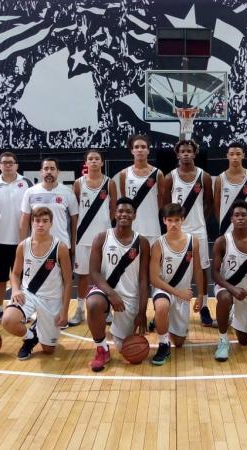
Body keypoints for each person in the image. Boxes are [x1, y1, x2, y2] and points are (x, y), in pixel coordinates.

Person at [86, 197, 150, 372]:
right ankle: (102, 349)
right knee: (93, 304)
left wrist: (142, 311)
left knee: (126, 349)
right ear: (114, 214)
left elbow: (143, 279)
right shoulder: (101, 237)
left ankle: (118, 331)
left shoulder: (142, 242)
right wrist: (111, 294)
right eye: (120, 211)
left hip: (129, 297)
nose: (124, 214)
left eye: (128, 212)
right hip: (105, 290)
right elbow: (94, 272)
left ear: (134, 215)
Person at [2, 207, 72, 360]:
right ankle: (30, 337)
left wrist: (65, 311)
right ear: (32, 223)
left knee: (48, 350)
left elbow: (68, 282)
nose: (41, 224)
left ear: (51, 223)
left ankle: (37, 327)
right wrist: (15, 290)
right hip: (28, 294)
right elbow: (15, 274)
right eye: (37, 221)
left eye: (45, 221)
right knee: (7, 320)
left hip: (51, 299)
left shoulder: (60, 247)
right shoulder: (23, 246)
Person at [162, 139, 214, 327]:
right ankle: (169, 305)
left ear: (194, 153)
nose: (185, 153)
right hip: (177, 231)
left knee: (203, 268)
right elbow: (165, 205)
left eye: (189, 151)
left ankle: (205, 306)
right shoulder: (170, 177)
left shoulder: (204, 176)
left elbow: (209, 203)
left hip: (198, 230)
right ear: (177, 154)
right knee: (173, 269)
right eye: (182, 151)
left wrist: (199, 220)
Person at [149, 203, 204, 365]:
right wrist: (178, 293)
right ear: (164, 221)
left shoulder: (193, 241)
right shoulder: (158, 244)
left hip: (182, 294)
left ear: (183, 220)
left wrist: (201, 295)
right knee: (161, 307)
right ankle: (163, 344)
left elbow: (198, 269)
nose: (173, 224)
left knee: (179, 343)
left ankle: (161, 322)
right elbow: (154, 279)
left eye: (177, 220)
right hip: (164, 289)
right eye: (170, 220)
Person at [0, 152, 33, 326]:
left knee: (22, 279)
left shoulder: (26, 183)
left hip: (21, 241)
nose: (8, 165)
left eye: (11, 162)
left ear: (17, 165)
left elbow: (32, 212)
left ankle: (22, 309)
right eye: (4, 162)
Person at [68, 150, 116, 327]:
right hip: (83, 236)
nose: (94, 161)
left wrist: (105, 225)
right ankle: (80, 309)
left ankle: (107, 309)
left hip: (103, 238)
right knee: (82, 276)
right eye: (90, 159)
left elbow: (113, 209)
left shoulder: (109, 183)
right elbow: (74, 211)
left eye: (97, 159)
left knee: (104, 275)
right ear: (86, 163)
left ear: (102, 162)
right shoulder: (78, 183)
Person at [212, 200, 247, 362]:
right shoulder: (222, 241)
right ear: (231, 219)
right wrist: (233, 289)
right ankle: (223, 340)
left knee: (244, 341)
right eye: (236, 215)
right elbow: (214, 274)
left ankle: (233, 314)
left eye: (243, 215)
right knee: (225, 298)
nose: (240, 218)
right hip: (226, 287)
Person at [19, 158, 78, 255]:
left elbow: (74, 222)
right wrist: (22, 245)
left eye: (52, 168)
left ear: (58, 172)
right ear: (41, 172)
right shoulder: (30, 192)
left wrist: (74, 245)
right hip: (36, 246)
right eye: (46, 169)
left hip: (62, 245)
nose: (49, 171)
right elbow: (24, 221)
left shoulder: (68, 193)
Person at [118, 134, 164, 248]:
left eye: (143, 147)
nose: (140, 150)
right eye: (136, 147)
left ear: (148, 150)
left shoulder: (157, 173)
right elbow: (125, 200)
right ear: (132, 151)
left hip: (152, 226)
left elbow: (161, 201)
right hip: (132, 227)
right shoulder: (124, 173)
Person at [213, 142, 247, 235]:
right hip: (226, 226)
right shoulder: (220, 179)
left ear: (243, 155)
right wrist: (223, 221)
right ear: (227, 156)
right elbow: (216, 206)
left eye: (238, 154)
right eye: (232, 154)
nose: (235, 157)